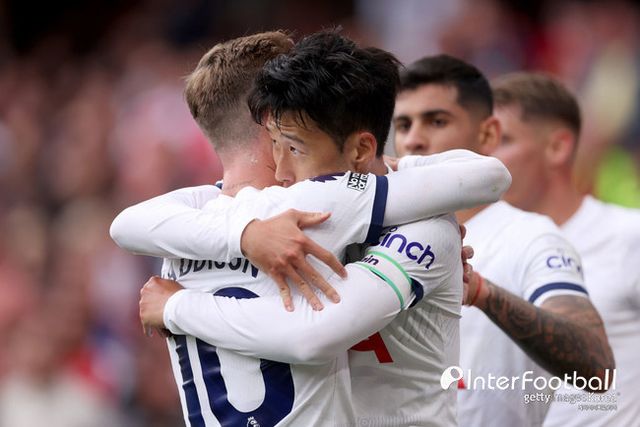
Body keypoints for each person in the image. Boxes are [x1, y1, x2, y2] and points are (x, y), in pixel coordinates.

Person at [111, 32, 511, 427]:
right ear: (267, 123)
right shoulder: (308, 205)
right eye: (280, 143)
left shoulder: (186, 223)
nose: (284, 170)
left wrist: (177, 306)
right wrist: (246, 238)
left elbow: (126, 225)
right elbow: (311, 334)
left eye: (294, 146)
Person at [392, 54, 615, 427]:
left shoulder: (530, 236)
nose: (413, 140)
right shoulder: (374, 233)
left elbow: (597, 365)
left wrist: (481, 292)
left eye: (437, 121)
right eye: (403, 125)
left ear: (488, 135)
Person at [491, 72, 640, 427]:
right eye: (482, 141)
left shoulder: (629, 236)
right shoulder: (474, 248)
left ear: (557, 147)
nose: (486, 158)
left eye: (503, 140)